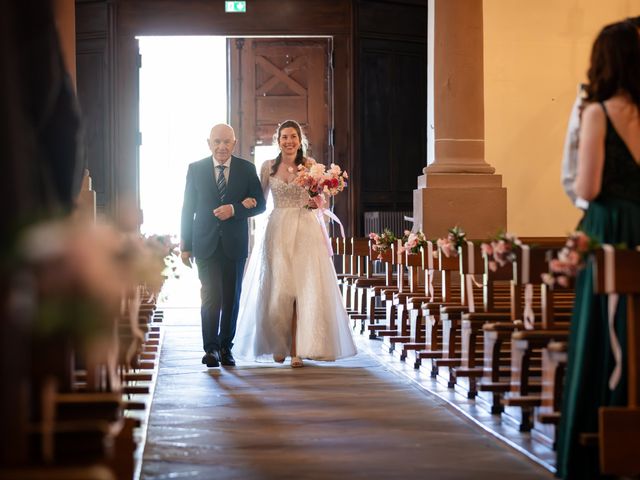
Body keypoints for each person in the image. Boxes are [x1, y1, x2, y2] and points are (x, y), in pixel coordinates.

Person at [556, 20, 640, 479]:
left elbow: (587, 185)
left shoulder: (598, 112)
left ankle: (602, 451)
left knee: (605, 336)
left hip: (610, 228)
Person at [233, 120, 357, 368]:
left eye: (293, 137)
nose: (289, 141)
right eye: (284, 137)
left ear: (300, 140)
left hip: (305, 229)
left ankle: (297, 349)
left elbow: (320, 201)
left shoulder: (310, 166)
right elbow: (260, 201)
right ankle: (277, 345)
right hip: (277, 228)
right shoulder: (268, 167)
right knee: (278, 290)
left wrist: (318, 200)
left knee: (302, 289)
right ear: (277, 141)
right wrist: (243, 205)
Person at [180, 123, 266, 368]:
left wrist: (235, 209)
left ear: (234, 144)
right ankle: (211, 350)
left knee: (231, 297)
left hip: (235, 244)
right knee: (210, 297)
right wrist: (185, 245)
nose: (222, 146)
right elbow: (187, 209)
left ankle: (226, 347)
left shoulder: (246, 169)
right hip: (204, 243)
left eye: (226, 141)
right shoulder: (195, 169)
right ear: (209, 143)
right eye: (217, 141)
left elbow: (260, 204)